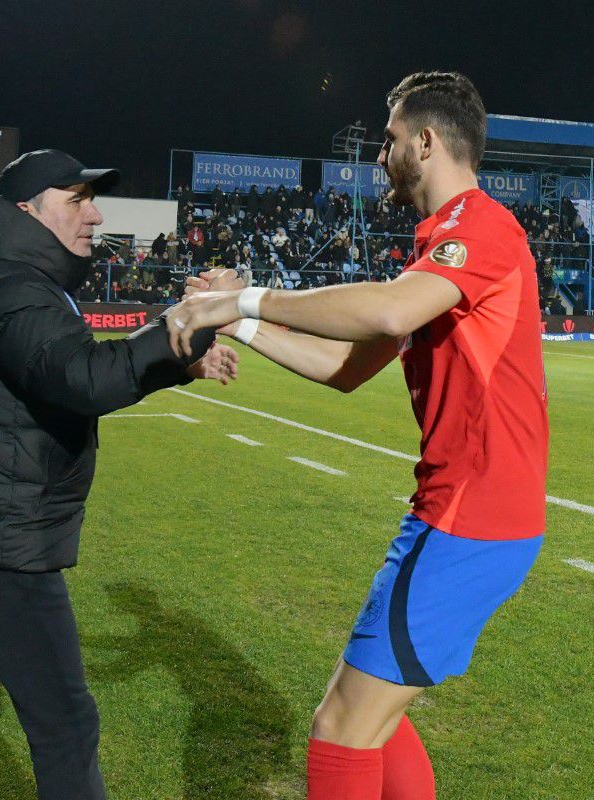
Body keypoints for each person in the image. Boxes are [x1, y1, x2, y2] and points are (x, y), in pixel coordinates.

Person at [170, 71, 548, 800]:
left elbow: (384, 314)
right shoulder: (438, 254)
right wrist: (238, 320)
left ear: (428, 142)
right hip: (470, 516)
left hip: (469, 518)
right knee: (378, 719)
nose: (380, 157)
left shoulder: (482, 228)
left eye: (391, 140)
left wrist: (244, 293)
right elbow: (341, 367)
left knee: (341, 728)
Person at [0, 149, 241, 800]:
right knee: (66, 726)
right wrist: (179, 324)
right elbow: (83, 380)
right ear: (28, 211)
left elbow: (70, 376)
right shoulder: (13, 287)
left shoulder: (13, 280)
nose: (95, 214)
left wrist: (172, 362)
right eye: (76, 200)